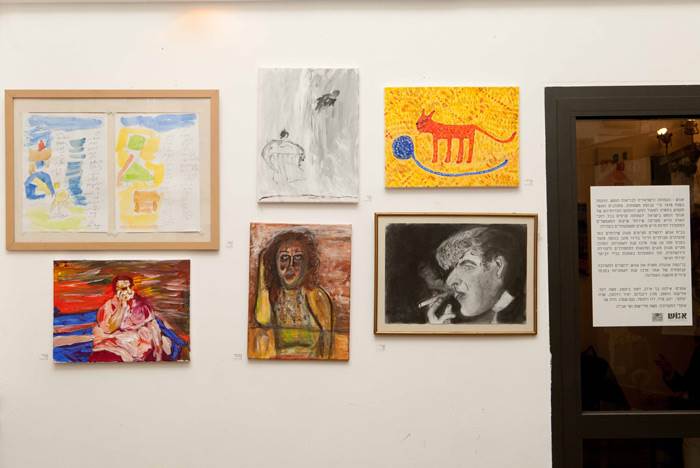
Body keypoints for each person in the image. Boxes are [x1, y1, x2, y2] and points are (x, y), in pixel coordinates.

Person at [251, 229, 333, 359]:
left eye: (298, 258)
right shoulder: (273, 296)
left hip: (312, 364)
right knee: (261, 338)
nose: (290, 266)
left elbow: (327, 348)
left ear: (308, 264)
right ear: (275, 263)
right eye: (284, 258)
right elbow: (263, 319)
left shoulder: (316, 296)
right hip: (278, 365)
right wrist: (263, 267)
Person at [424, 225, 526, 324]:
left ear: (499, 266)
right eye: (451, 270)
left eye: (467, 266)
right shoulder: (490, 315)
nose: (449, 281)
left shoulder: (524, 315)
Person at [89, 275, 164, 362]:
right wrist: (123, 306)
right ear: (116, 291)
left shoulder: (142, 305)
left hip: (137, 342)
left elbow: (152, 324)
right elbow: (109, 329)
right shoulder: (108, 306)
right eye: (124, 288)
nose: (128, 291)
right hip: (114, 340)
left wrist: (158, 349)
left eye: (130, 287)